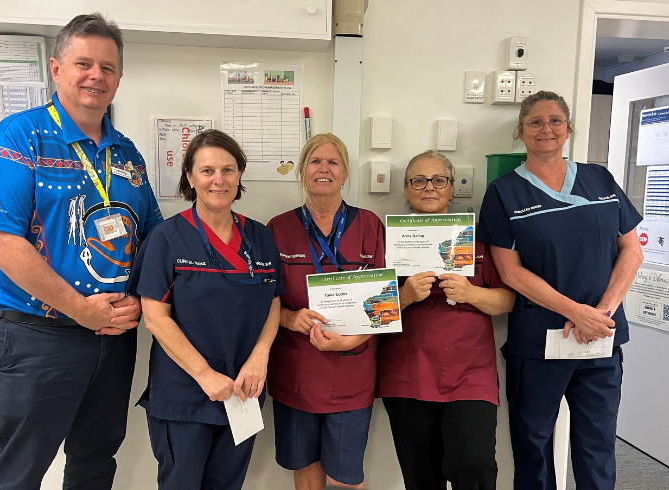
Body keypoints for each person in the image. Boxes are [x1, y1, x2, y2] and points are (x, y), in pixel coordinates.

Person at [0, 13, 162, 490]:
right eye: (83, 63)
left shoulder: (127, 152)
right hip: (39, 339)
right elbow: (0, 243)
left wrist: (142, 297)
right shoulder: (16, 138)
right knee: (20, 468)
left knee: (96, 460)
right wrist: (80, 309)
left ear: (118, 78)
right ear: (56, 70)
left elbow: (153, 238)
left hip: (114, 337)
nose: (96, 75)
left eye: (108, 67)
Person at [477, 90, 644, 490]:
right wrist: (577, 311)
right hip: (539, 344)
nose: (546, 129)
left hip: (600, 340)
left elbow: (632, 250)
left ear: (568, 128)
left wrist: (601, 312)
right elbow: (511, 273)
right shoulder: (504, 193)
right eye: (535, 122)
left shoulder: (600, 178)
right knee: (534, 445)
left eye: (555, 120)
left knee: (597, 445)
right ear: (521, 131)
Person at [129, 129, 283, 490]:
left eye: (228, 170)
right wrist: (205, 375)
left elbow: (273, 301)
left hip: (243, 393)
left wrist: (260, 358)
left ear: (240, 175)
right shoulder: (167, 238)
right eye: (207, 170)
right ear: (190, 177)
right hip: (185, 395)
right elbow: (154, 317)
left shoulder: (260, 237)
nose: (219, 180)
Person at [376, 150, 515, 490]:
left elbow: (507, 298)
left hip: (470, 371)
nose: (429, 188)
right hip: (408, 369)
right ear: (407, 190)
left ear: (452, 189)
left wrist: (472, 294)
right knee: (421, 475)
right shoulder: (386, 239)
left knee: (475, 467)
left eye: (439, 180)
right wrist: (405, 295)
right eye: (418, 181)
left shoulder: (479, 238)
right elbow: (369, 311)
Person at [266, 133, 385, 489]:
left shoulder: (369, 226)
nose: (324, 169)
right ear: (302, 171)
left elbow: (384, 305)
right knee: (305, 471)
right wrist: (291, 318)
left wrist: (348, 342)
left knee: (346, 478)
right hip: (296, 371)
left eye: (333, 162)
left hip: (352, 371)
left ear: (345, 173)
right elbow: (266, 301)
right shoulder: (277, 229)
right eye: (315, 161)